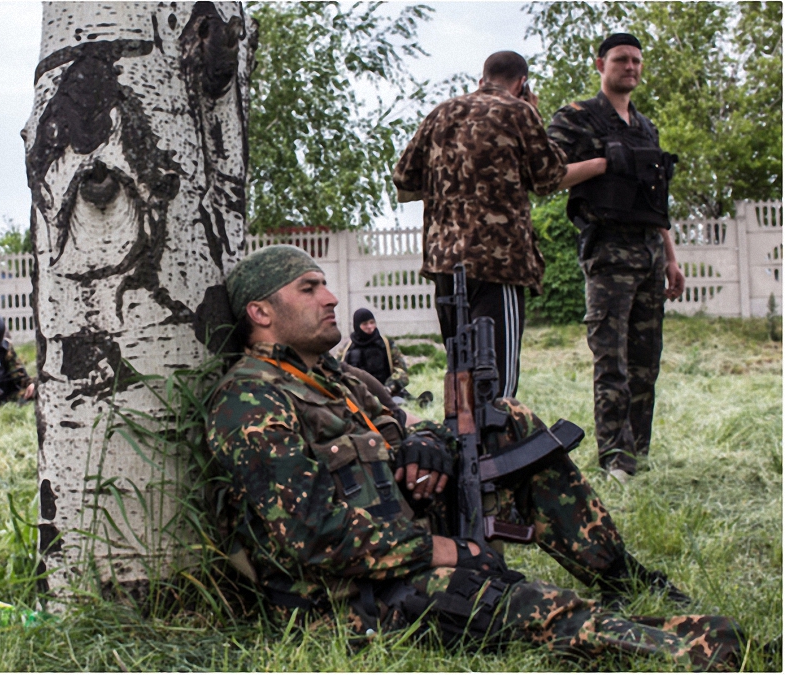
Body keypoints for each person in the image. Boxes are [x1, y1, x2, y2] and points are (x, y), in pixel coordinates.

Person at [206, 244, 744, 670]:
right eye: (309, 288)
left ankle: (620, 574)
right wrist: (449, 550)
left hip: (406, 534)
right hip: (348, 594)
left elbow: (401, 428)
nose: (331, 298)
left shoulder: (340, 377)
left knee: (508, 422)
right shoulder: (250, 399)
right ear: (261, 312)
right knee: (513, 604)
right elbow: (313, 536)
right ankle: (700, 649)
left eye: (324, 283)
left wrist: (429, 446)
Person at [392, 51, 608, 398]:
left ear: (482, 79)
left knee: (460, 380)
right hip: (499, 263)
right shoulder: (520, 111)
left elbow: (403, 176)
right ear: (522, 84)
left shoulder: (441, 113)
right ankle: (495, 448)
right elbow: (549, 176)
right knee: (496, 384)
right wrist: (594, 161)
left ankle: (465, 448)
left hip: (445, 265)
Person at [547, 33, 685, 482]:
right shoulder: (578, 118)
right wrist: (605, 162)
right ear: (600, 64)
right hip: (608, 251)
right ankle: (615, 460)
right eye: (622, 60)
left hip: (647, 250)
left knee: (646, 361)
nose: (631, 67)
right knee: (613, 361)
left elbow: (656, 199)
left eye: (637, 61)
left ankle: (638, 455)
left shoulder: (646, 127)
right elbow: (547, 175)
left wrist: (671, 258)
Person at [340, 308, 410, 401]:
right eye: (365, 324)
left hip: (387, 394)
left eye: (372, 322)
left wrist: (389, 388)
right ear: (357, 326)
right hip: (358, 397)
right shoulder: (346, 349)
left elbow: (402, 373)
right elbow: (337, 372)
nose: (369, 327)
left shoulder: (387, 345)